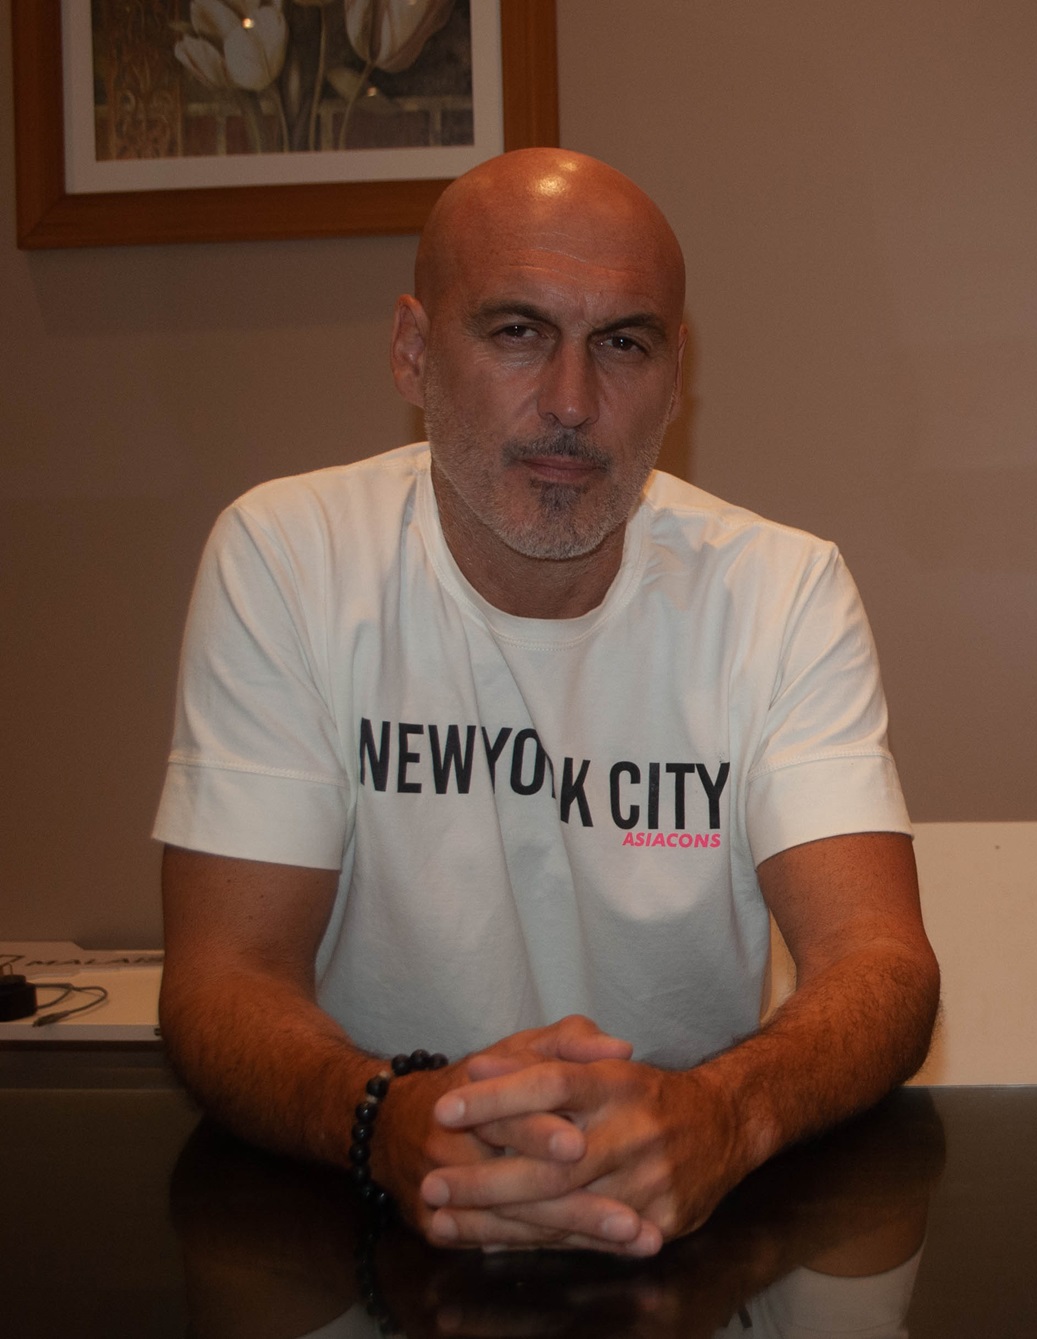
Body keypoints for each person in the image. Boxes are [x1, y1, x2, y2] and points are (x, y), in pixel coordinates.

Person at [153, 149, 940, 1257]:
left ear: (677, 375)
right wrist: (390, 1118)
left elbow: (881, 963)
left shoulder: (778, 589)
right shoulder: (288, 560)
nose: (572, 402)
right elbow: (221, 978)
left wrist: (723, 1114)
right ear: (413, 352)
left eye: (623, 343)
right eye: (518, 331)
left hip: (686, 1203)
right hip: (362, 1209)